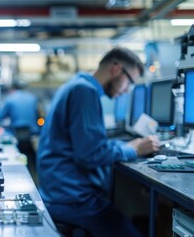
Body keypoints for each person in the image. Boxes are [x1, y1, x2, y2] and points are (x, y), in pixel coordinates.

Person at [37, 47, 159, 237]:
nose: (127, 91)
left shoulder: (77, 85)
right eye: (130, 82)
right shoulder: (84, 91)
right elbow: (90, 155)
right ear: (117, 69)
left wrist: (127, 146)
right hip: (74, 201)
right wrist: (133, 150)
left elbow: (92, 144)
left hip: (60, 194)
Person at [0, 80, 41, 184]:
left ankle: (22, 182)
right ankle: (36, 183)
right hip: (33, 136)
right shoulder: (33, 98)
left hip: (18, 135)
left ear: (12, 89)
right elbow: (39, 117)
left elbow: (0, 119)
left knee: (19, 162)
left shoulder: (10, 99)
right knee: (32, 162)